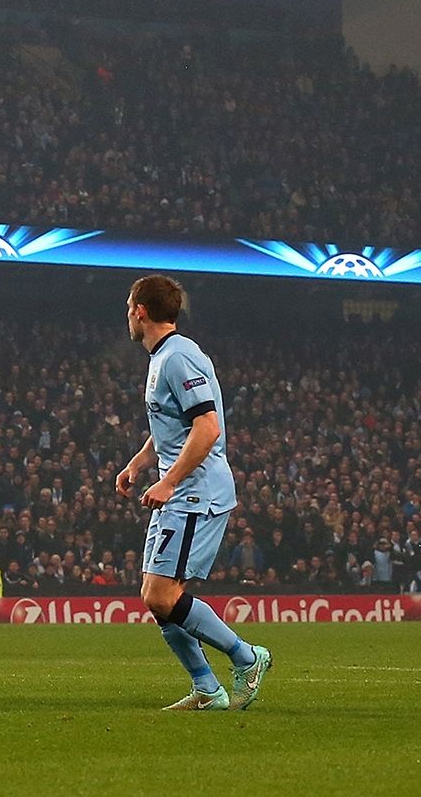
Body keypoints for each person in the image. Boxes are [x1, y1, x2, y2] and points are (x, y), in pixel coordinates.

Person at [114, 275, 270, 712]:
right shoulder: (166, 356)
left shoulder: (178, 357)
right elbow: (174, 425)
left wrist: (169, 481)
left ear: (141, 311)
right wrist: (139, 463)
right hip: (183, 490)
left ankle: (246, 656)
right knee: (158, 597)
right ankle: (207, 688)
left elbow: (207, 427)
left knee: (161, 595)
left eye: (129, 307)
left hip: (196, 493)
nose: (128, 315)